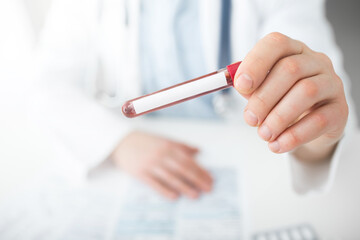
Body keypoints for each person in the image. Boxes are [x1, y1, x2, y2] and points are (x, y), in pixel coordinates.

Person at [34, 0, 357, 200]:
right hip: (131, 164)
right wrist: (116, 141)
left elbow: (314, 98)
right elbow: (47, 81)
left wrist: (317, 130)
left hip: (250, 163)